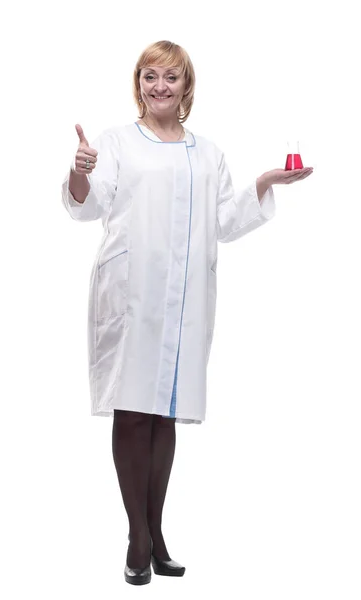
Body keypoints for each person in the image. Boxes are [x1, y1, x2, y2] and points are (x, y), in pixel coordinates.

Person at [61, 40, 313, 586]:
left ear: (186, 87)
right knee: (133, 411)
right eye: (149, 76)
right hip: (131, 298)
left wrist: (265, 184)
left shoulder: (208, 152)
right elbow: (87, 203)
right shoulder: (116, 143)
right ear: (139, 84)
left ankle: (157, 531)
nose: (159, 86)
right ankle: (137, 537)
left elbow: (224, 219)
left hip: (182, 301)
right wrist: (80, 170)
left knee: (164, 414)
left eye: (170, 78)